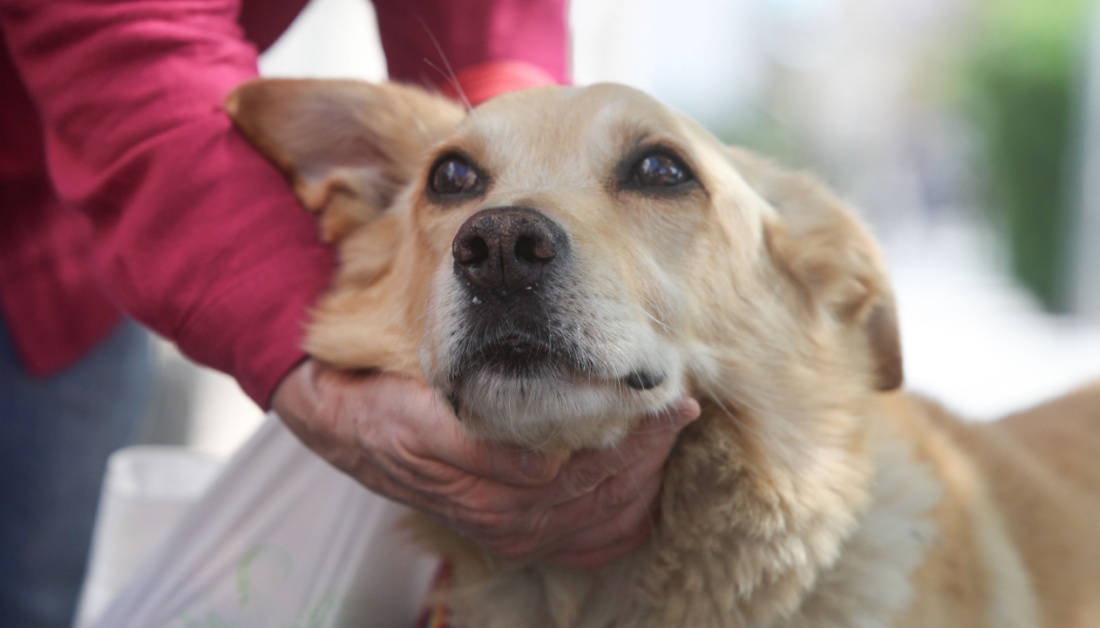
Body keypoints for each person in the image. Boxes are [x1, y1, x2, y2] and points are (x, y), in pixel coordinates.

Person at [0, 1, 699, 625]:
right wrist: (317, 375)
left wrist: (510, 136)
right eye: (457, 188)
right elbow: (122, 31)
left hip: (58, 273)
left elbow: (486, 26)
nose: (498, 236)